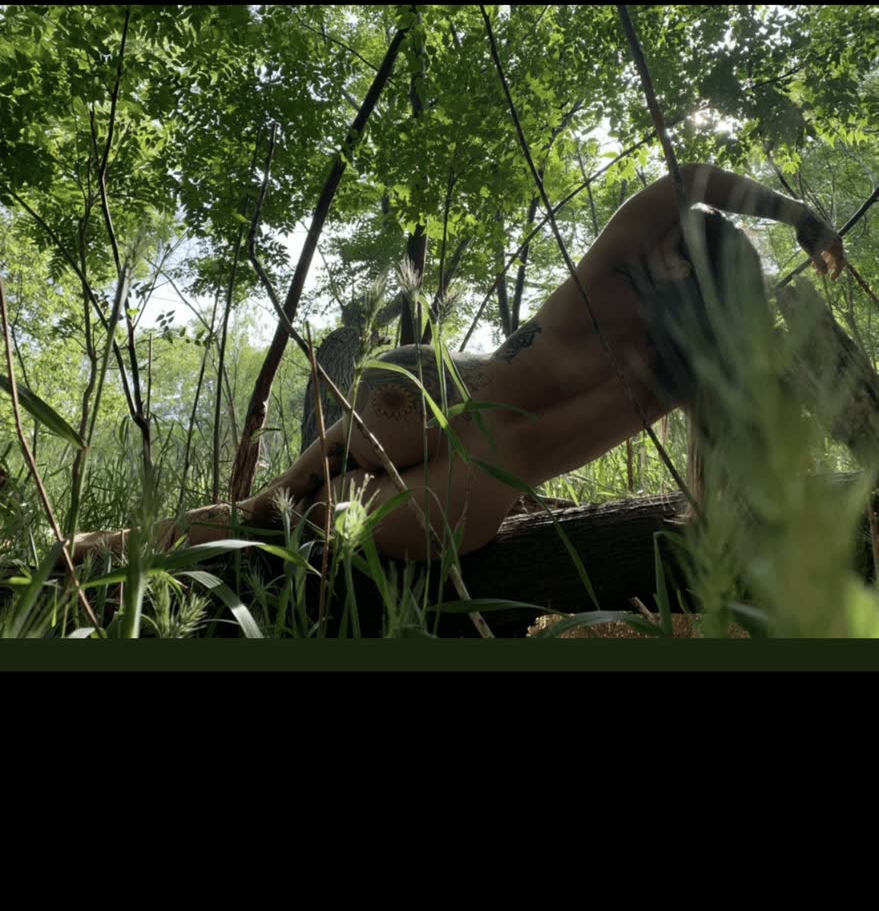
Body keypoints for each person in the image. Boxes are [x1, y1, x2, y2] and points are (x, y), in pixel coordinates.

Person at [73, 166, 846, 566]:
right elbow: (726, 482)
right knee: (295, 521)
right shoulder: (692, 376)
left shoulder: (611, 278)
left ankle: (89, 553)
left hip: (422, 391)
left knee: (263, 512)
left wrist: (796, 216)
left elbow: (683, 182)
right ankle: (96, 555)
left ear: (680, 257)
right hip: (465, 487)